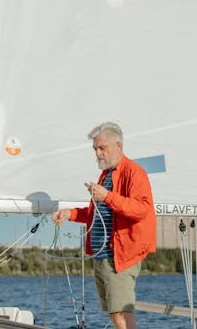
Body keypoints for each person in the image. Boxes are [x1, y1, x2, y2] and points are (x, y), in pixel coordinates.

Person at [52, 122, 156, 329]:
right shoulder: (107, 174)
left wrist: (107, 196)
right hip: (101, 256)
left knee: (121, 313)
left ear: (118, 146)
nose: (97, 154)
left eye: (102, 148)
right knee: (114, 312)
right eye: (95, 149)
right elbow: (97, 214)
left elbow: (141, 209)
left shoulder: (134, 172)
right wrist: (70, 213)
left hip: (120, 256)